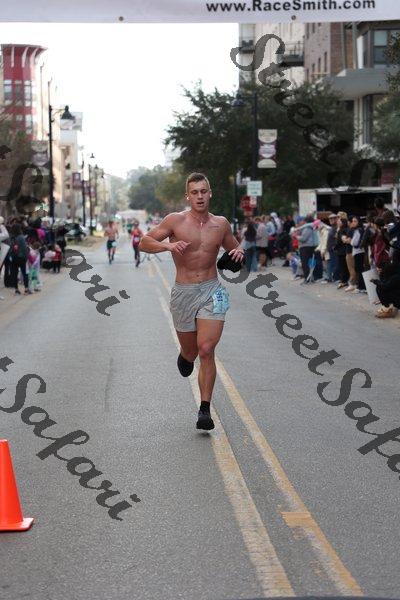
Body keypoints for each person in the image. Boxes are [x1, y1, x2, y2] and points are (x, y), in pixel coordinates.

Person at [139, 172, 244, 431]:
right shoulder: (175, 221)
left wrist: (239, 253)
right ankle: (186, 355)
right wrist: (167, 247)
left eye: (203, 191)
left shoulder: (221, 224)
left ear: (210, 194)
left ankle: (204, 409)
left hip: (213, 290)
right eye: (194, 192)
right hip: (183, 292)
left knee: (206, 349)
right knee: (192, 351)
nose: (199, 196)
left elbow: (235, 249)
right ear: (188, 196)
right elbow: (144, 242)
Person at [9, 223, 30, 295]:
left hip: (13, 258)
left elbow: (10, 248)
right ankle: (26, 289)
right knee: (25, 273)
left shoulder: (11, 237)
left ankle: (16, 289)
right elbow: (24, 249)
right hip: (21, 258)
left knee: (14, 274)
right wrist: (26, 257)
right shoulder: (21, 237)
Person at [349, 216, 366, 293]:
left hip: (358, 252)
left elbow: (354, 243)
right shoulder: (358, 230)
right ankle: (360, 286)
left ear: (359, 222)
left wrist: (351, 242)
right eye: (353, 221)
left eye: (355, 221)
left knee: (359, 269)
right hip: (358, 252)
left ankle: (361, 287)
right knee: (359, 269)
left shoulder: (358, 230)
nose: (353, 223)